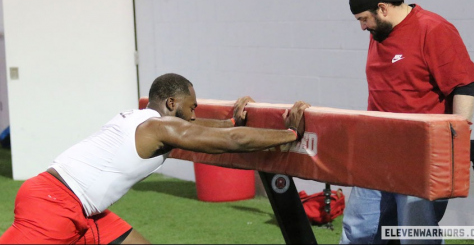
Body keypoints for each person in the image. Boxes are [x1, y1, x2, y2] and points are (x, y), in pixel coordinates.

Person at [0, 73, 311, 244]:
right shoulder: (156, 128)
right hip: (53, 205)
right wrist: (290, 135)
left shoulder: (142, 118)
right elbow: (227, 142)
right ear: (172, 102)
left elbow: (202, 129)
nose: (195, 114)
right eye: (192, 107)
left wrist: (233, 122)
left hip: (81, 209)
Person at [341, 0, 474, 244]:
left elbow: (464, 85)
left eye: (363, 19)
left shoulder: (433, 29)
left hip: (421, 154)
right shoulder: (379, 31)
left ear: (383, 8)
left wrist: (456, 146)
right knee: (358, 230)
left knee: (415, 236)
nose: (362, 27)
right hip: (376, 149)